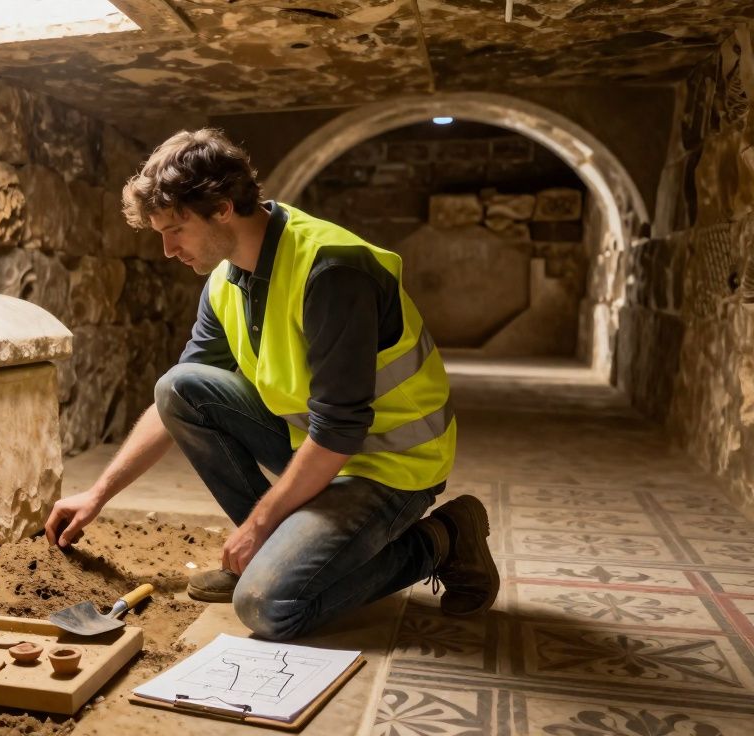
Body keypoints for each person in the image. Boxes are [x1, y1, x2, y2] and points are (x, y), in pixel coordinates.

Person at [44, 128, 499, 641]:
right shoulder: (225, 280)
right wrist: (98, 494)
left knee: (268, 607)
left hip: (391, 463)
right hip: (315, 447)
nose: (168, 250)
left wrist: (258, 525)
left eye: (176, 230)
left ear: (222, 208)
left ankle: (441, 539)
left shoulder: (332, 269)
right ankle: (276, 554)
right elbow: (175, 401)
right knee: (179, 387)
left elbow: (341, 430)